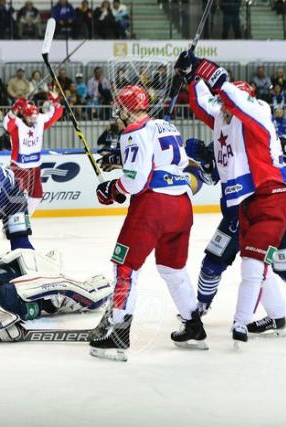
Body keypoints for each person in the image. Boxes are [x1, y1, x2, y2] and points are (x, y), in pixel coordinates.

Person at [178, 50, 286, 344]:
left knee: (240, 262)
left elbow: (229, 94)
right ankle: (277, 315)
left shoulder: (255, 114)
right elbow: (204, 103)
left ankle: (222, 315)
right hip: (239, 204)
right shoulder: (224, 116)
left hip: (258, 197)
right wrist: (192, 78)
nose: (223, 107)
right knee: (256, 264)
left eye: (228, 103)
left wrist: (202, 67)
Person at [88, 85, 204, 362]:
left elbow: (136, 182)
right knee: (172, 269)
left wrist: (113, 189)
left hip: (153, 207)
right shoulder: (165, 125)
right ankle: (194, 326)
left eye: (119, 107)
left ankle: (117, 334)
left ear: (124, 108)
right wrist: (120, 161)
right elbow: (172, 161)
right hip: (182, 207)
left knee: (125, 266)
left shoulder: (132, 132)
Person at [185, 135, 286, 334]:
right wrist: (205, 161)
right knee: (211, 265)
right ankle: (202, 305)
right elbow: (210, 179)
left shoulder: (264, 136)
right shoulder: (222, 142)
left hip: (271, 215)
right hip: (235, 219)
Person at [2, 94, 63, 216]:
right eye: (30, 117)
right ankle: (11, 222)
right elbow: (7, 124)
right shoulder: (17, 125)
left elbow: (55, 115)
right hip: (19, 166)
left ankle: (25, 219)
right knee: (17, 198)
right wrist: (15, 109)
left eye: (35, 117)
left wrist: (55, 102)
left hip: (35, 166)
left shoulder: (39, 121)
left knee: (37, 195)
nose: (33, 119)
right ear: (24, 115)